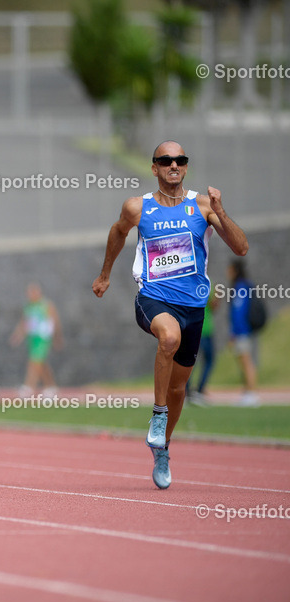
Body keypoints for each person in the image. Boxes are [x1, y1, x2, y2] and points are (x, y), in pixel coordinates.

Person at [92, 141, 248, 489]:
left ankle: (162, 447)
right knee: (169, 337)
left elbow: (241, 247)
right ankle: (158, 416)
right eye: (165, 160)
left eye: (179, 160)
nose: (173, 165)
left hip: (193, 307)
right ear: (154, 168)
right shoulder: (138, 208)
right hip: (153, 300)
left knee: (179, 388)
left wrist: (221, 212)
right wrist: (105, 274)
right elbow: (117, 233)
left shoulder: (202, 205)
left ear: (186, 167)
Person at [9, 282, 62, 398]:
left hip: (43, 337)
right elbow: (24, 323)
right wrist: (18, 335)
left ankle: (29, 386)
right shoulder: (28, 306)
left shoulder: (46, 305)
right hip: (33, 338)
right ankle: (51, 385)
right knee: (41, 363)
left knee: (35, 361)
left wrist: (57, 337)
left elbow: (55, 321)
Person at [227, 260, 260, 407]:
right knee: (246, 361)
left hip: (243, 331)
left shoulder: (240, 286)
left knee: (246, 362)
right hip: (246, 330)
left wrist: (235, 332)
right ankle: (248, 391)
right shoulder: (246, 284)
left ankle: (251, 393)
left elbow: (239, 311)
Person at [186, 288, 217, 405]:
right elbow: (214, 306)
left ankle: (188, 391)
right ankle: (199, 390)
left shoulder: (188, 282)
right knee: (208, 360)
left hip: (192, 327)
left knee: (189, 360)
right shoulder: (207, 283)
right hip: (204, 328)